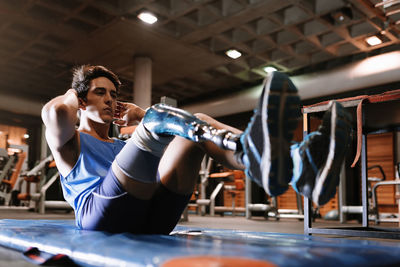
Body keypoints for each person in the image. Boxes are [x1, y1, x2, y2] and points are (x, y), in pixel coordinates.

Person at [41, 65, 352, 234]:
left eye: (113, 93)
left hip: (152, 221)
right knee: (156, 122)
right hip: (100, 216)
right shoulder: (71, 142)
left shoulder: (123, 145)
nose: (109, 99)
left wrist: (139, 114)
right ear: (82, 101)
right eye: (100, 93)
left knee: (198, 125)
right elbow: (56, 113)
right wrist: (75, 91)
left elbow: (174, 130)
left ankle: (295, 164)